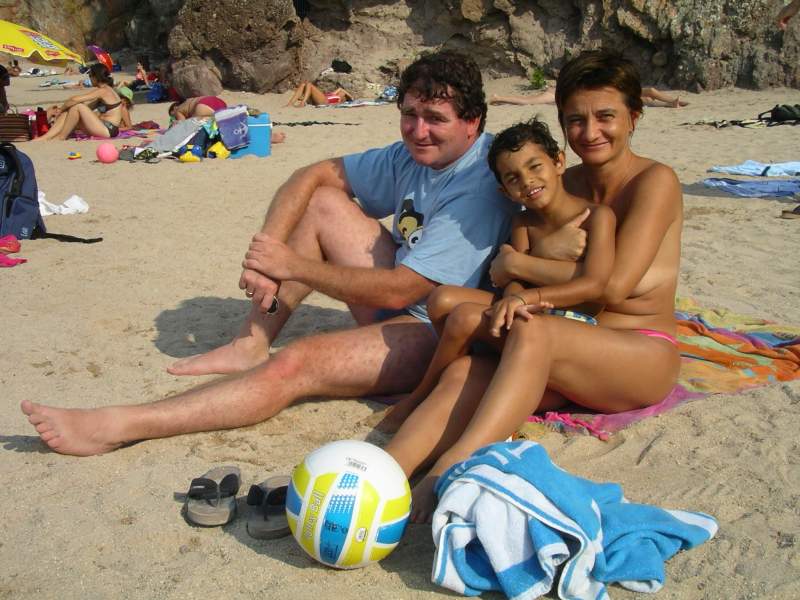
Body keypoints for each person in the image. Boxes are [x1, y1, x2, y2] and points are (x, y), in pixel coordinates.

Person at [21, 50, 517, 456]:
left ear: (471, 123)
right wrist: (267, 253)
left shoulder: (477, 184)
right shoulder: (414, 153)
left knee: (296, 364)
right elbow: (312, 175)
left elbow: (404, 290)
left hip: (439, 333)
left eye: (435, 119)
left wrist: (294, 267)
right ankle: (250, 342)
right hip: (403, 297)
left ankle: (119, 425)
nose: (417, 131)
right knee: (323, 201)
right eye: (409, 115)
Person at [382, 49, 684, 523]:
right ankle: (380, 475)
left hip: (635, 351)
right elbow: (512, 267)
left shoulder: (654, 181)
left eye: (605, 117)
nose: (590, 132)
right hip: (565, 337)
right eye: (575, 120)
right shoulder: (559, 180)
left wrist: (520, 265)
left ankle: (449, 469)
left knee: (530, 328)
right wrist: (521, 271)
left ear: (634, 117)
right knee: (464, 368)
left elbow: (612, 287)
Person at [374, 118, 616, 431]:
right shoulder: (523, 223)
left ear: (558, 162)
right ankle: (451, 379)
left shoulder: (596, 216)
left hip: (571, 322)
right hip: (526, 309)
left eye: (534, 166)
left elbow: (596, 284)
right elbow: (512, 280)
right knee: (442, 298)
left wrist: (524, 295)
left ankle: (421, 396)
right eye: (513, 178)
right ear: (505, 191)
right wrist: (513, 297)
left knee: (463, 320)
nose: (527, 181)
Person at [34, 63, 123, 140]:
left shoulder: (104, 90)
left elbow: (74, 99)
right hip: (104, 127)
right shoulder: (106, 90)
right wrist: (65, 110)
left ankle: (61, 137)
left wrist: (61, 109)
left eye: (90, 76)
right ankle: (46, 137)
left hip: (108, 129)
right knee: (72, 108)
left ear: (96, 77)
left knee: (78, 106)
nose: (89, 78)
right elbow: (87, 108)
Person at [167, 96, 287, 144]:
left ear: (174, 108)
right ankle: (267, 135)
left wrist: (174, 125)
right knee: (230, 123)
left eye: (172, 115)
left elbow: (182, 126)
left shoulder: (178, 110)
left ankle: (263, 138)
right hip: (216, 101)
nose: (173, 117)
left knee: (214, 131)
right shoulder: (190, 100)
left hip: (202, 107)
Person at [490, 86, 688, 108]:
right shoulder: (553, 92)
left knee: (647, 96)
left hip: (558, 93)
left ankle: (671, 103)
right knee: (528, 101)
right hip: (555, 93)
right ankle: (499, 97)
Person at [285, 81, 353, 107]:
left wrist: (350, 97)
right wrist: (342, 92)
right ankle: (290, 104)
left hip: (325, 101)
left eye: (343, 94)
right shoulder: (335, 95)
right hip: (322, 99)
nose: (341, 93)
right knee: (303, 84)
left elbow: (343, 92)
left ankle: (302, 103)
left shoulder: (339, 99)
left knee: (309, 84)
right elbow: (340, 89)